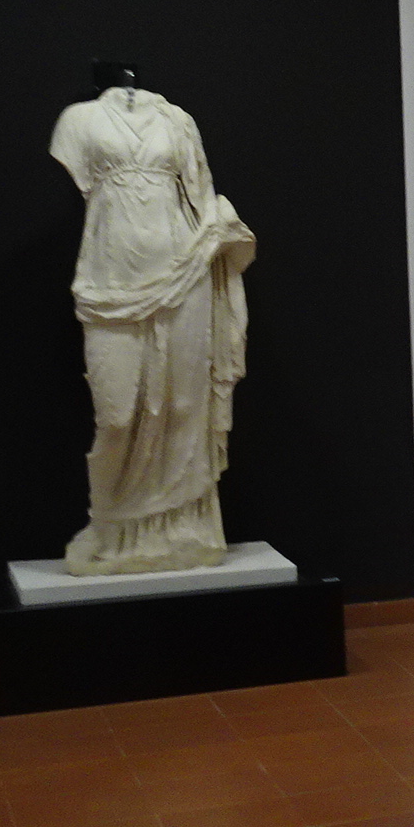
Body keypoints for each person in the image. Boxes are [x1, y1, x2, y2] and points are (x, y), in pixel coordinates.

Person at [49, 64, 257, 574]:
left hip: (185, 272)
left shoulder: (178, 120)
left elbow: (201, 198)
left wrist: (220, 232)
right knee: (117, 416)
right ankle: (110, 526)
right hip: (109, 281)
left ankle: (182, 529)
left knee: (185, 407)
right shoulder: (78, 120)